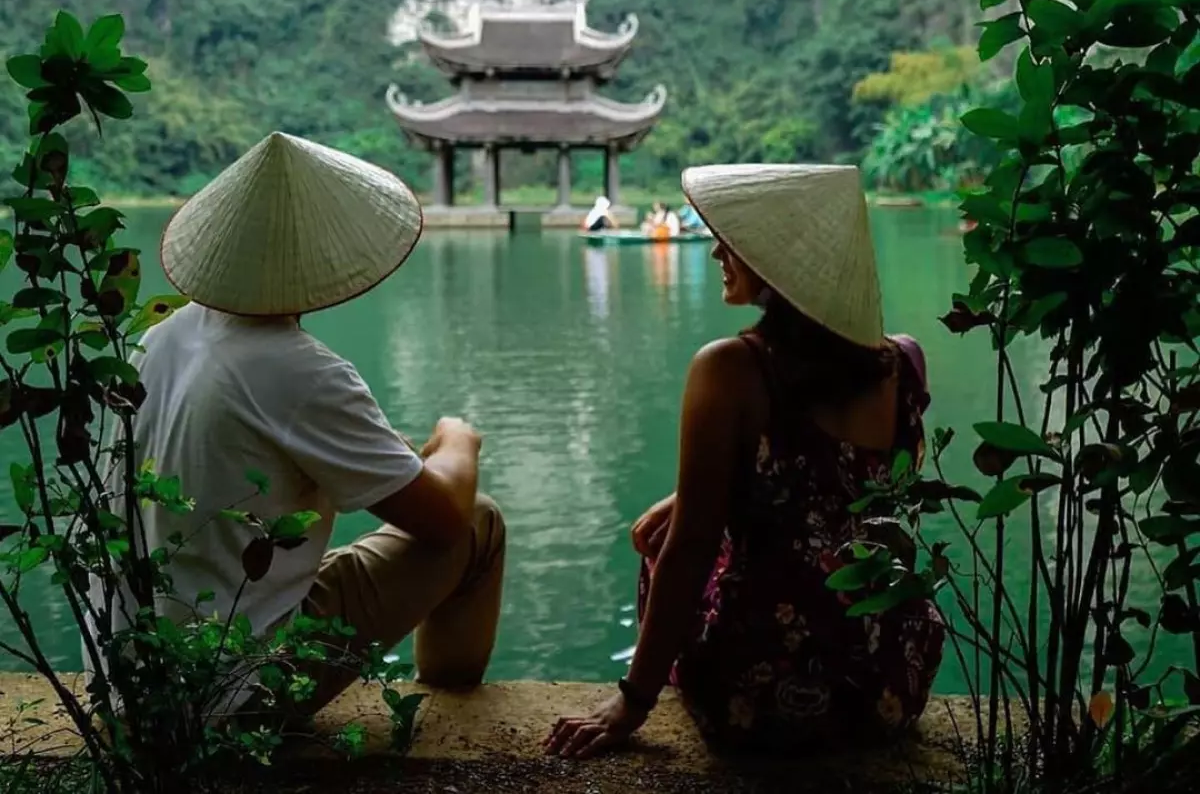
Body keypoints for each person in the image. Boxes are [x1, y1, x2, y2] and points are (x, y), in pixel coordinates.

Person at [98, 131, 505, 718]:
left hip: (130, 685)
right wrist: (457, 437)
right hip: (235, 696)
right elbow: (443, 521)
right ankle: (450, 703)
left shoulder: (157, 338)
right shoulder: (299, 370)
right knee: (479, 522)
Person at [547, 162, 943, 760]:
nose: (716, 254)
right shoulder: (904, 363)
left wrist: (632, 701)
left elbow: (690, 549)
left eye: (733, 242)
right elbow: (843, 486)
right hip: (889, 679)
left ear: (783, 260)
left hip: (761, 694)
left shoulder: (731, 370)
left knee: (659, 550)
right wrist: (701, 494)